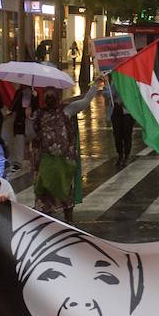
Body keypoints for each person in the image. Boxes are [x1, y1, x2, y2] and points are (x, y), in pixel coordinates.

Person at [32, 76, 104, 223]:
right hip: (45, 160)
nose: (50, 98)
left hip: (63, 161)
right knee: (44, 190)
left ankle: (68, 220)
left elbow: (84, 102)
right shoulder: (39, 114)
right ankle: (46, 219)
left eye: (52, 95)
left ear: (58, 96)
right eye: (47, 96)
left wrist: (95, 85)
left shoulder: (66, 110)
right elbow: (31, 135)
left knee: (65, 190)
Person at [7, 84, 35, 173]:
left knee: (31, 141)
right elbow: (13, 106)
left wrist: (31, 108)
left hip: (30, 122)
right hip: (20, 122)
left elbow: (37, 107)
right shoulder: (19, 93)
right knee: (19, 141)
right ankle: (18, 163)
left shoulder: (34, 94)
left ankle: (31, 160)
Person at [109, 81, 135, 168]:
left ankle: (127, 155)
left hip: (128, 111)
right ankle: (120, 155)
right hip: (116, 110)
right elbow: (107, 94)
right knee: (117, 134)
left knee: (127, 134)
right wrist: (110, 91)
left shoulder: (132, 82)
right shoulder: (115, 81)